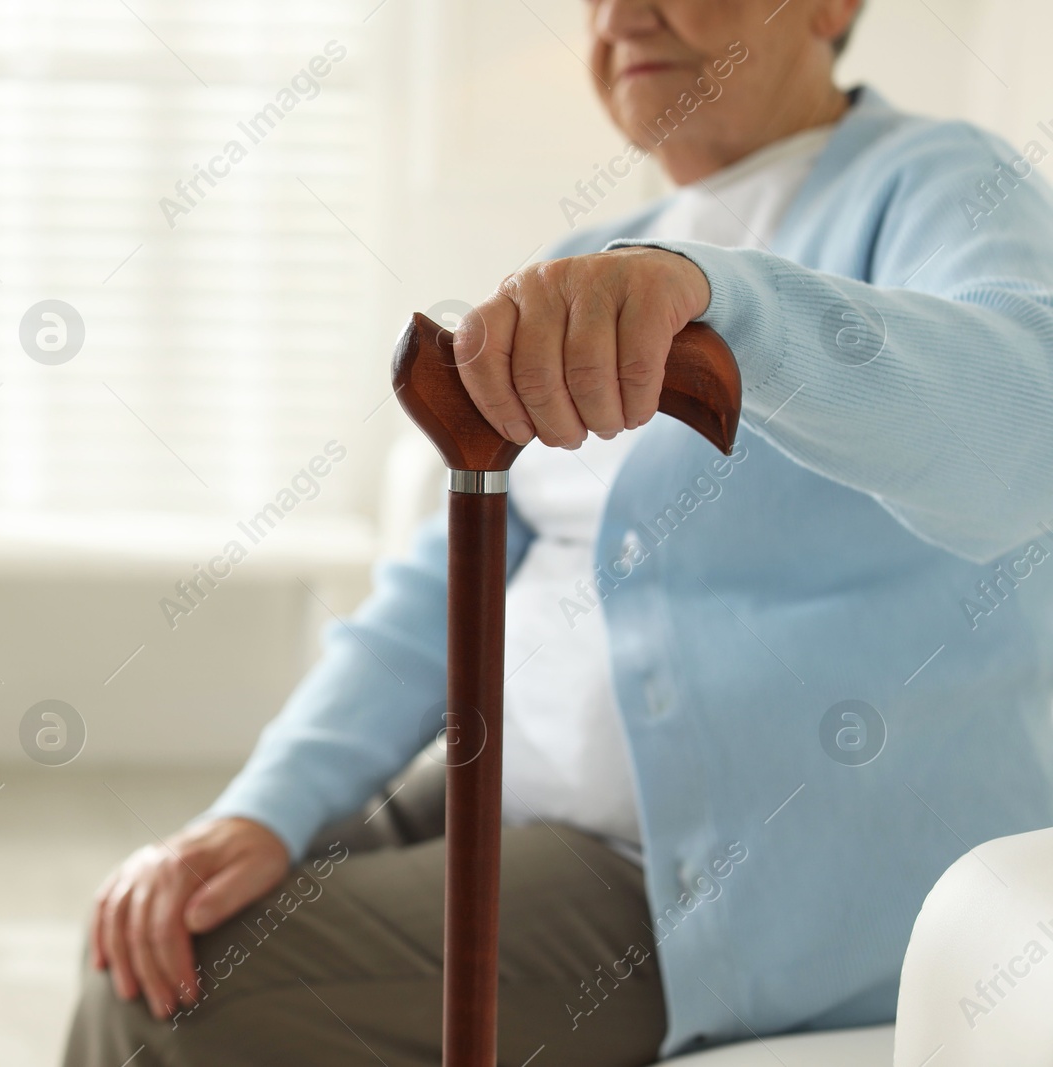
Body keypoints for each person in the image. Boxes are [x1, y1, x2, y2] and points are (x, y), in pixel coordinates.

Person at [65, 0, 1053, 1062]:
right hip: (496, 777)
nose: (621, 14)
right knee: (152, 921)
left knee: (166, 994)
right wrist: (260, 808)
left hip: (698, 879)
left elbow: (1021, 435)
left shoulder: (939, 179)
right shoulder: (589, 255)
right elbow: (439, 589)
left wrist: (727, 309)